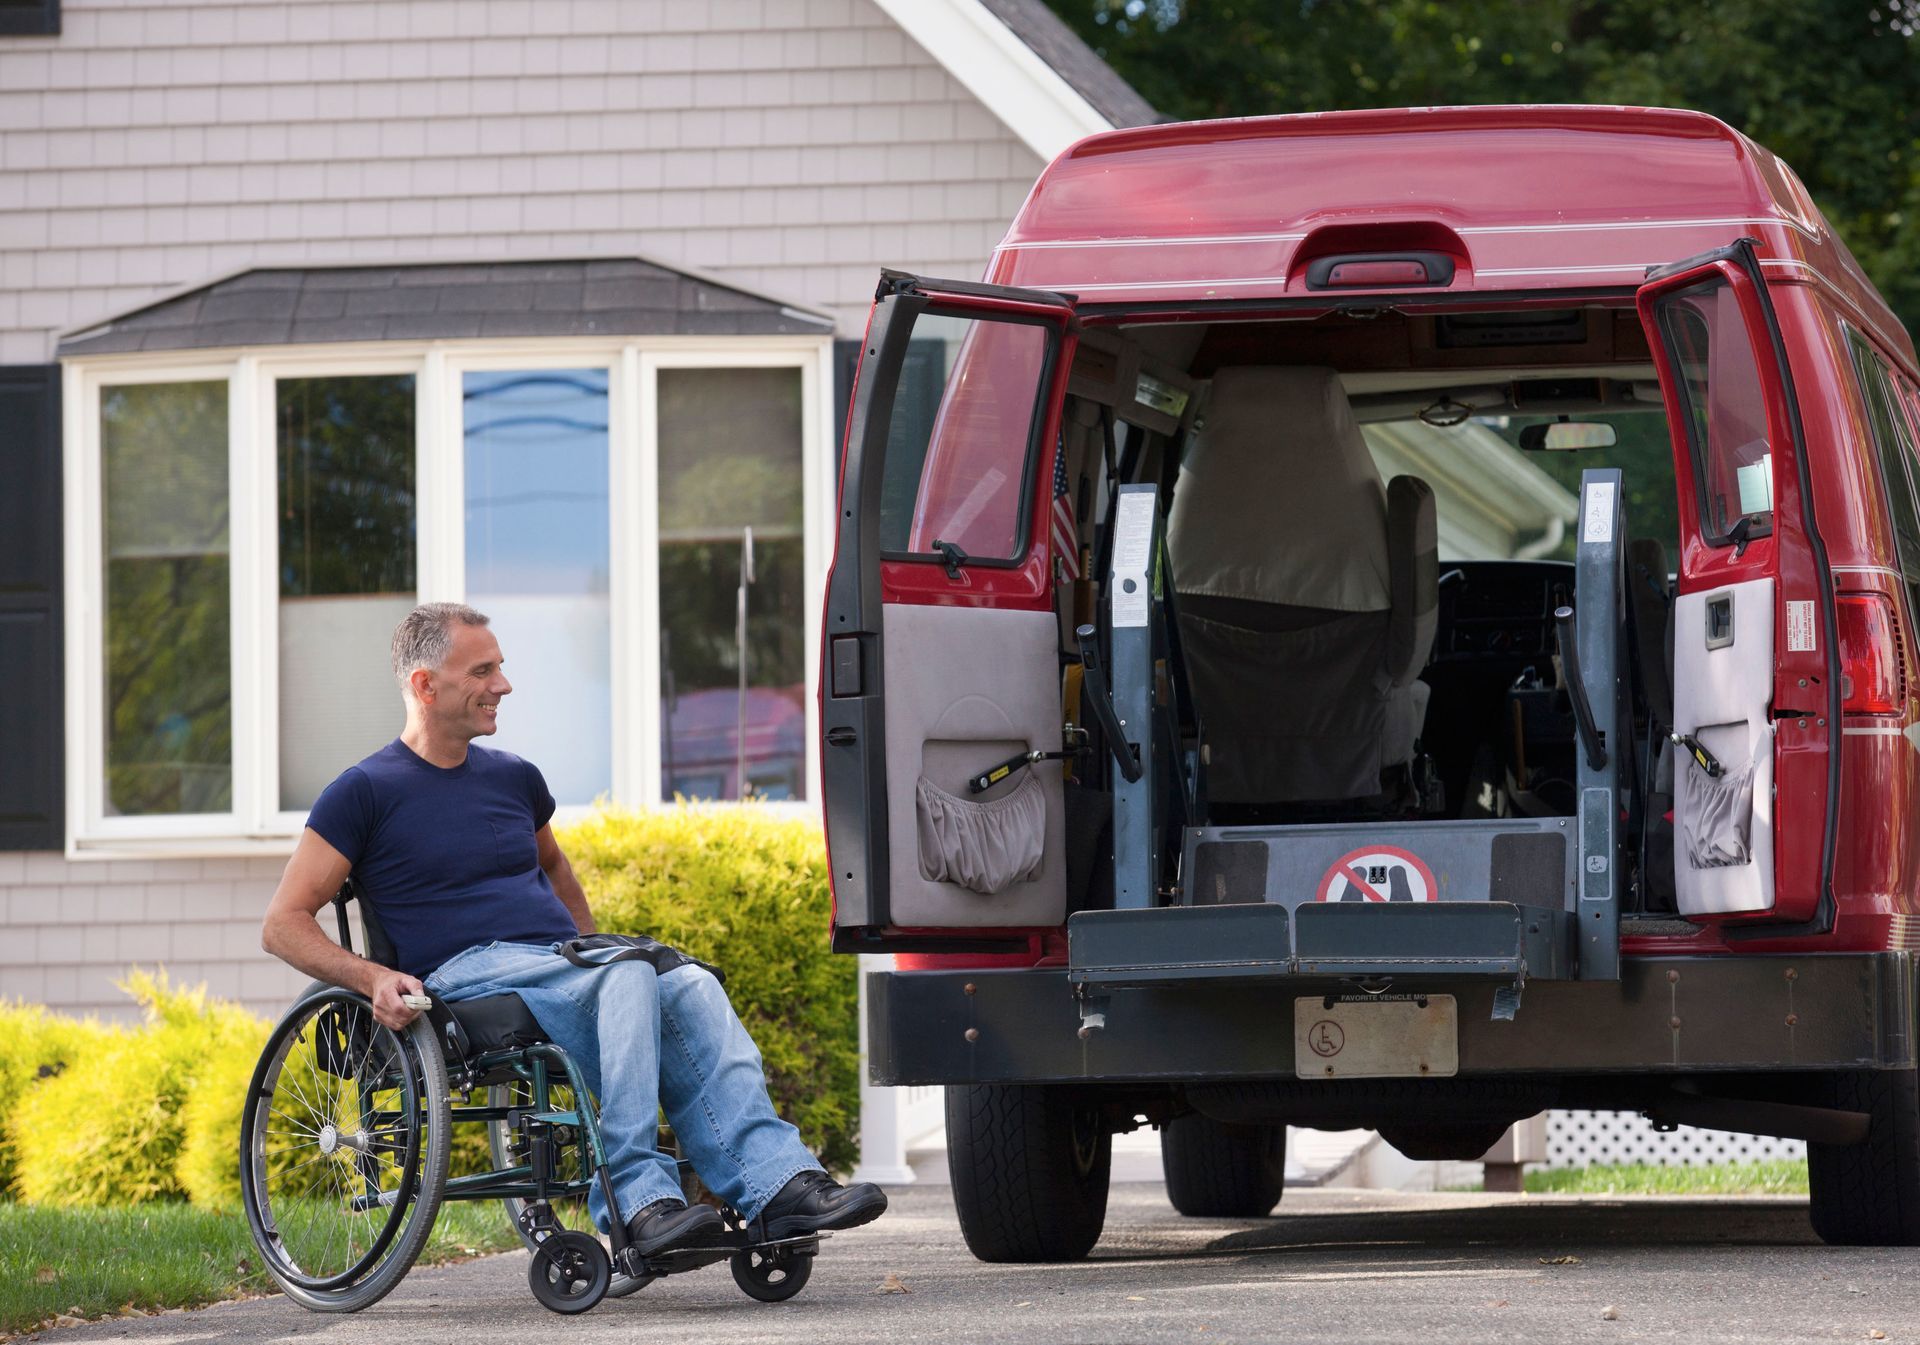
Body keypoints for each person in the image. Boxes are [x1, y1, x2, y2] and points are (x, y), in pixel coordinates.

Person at [261, 601, 886, 1259]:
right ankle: (636, 1199)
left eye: (501, 667)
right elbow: (282, 923)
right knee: (627, 972)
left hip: (555, 960)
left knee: (691, 983)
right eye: (484, 670)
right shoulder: (363, 791)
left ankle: (776, 1183)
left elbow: (555, 867)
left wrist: (594, 952)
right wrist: (373, 976)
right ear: (425, 684)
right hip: (462, 974)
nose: (503, 684)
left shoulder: (514, 777)